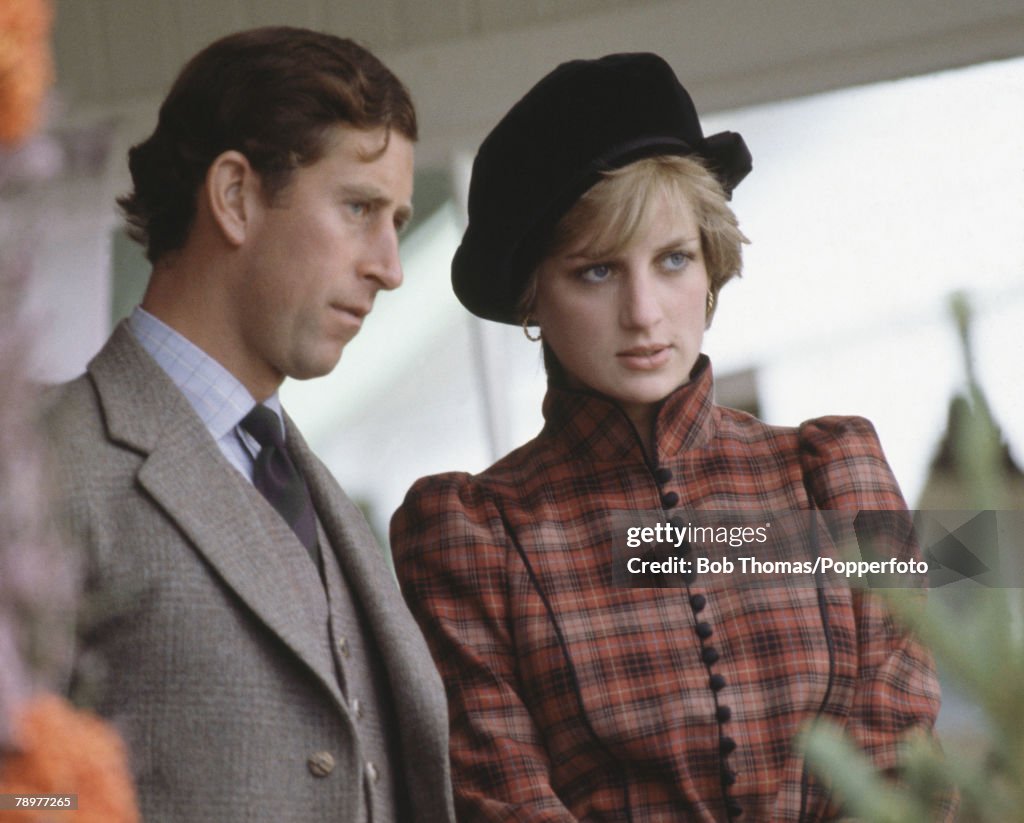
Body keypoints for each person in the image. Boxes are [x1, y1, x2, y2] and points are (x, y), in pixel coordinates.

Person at [390, 53, 951, 821]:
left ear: (712, 268)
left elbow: (902, 761)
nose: (646, 312)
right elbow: (501, 798)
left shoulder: (834, 474)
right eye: (596, 272)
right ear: (532, 296)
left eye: (674, 260)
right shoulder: (471, 536)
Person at [42, 27, 454, 823]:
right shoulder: (44, 463)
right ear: (235, 196)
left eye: (398, 219)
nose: (390, 266)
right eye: (360, 207)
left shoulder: (304, 481)